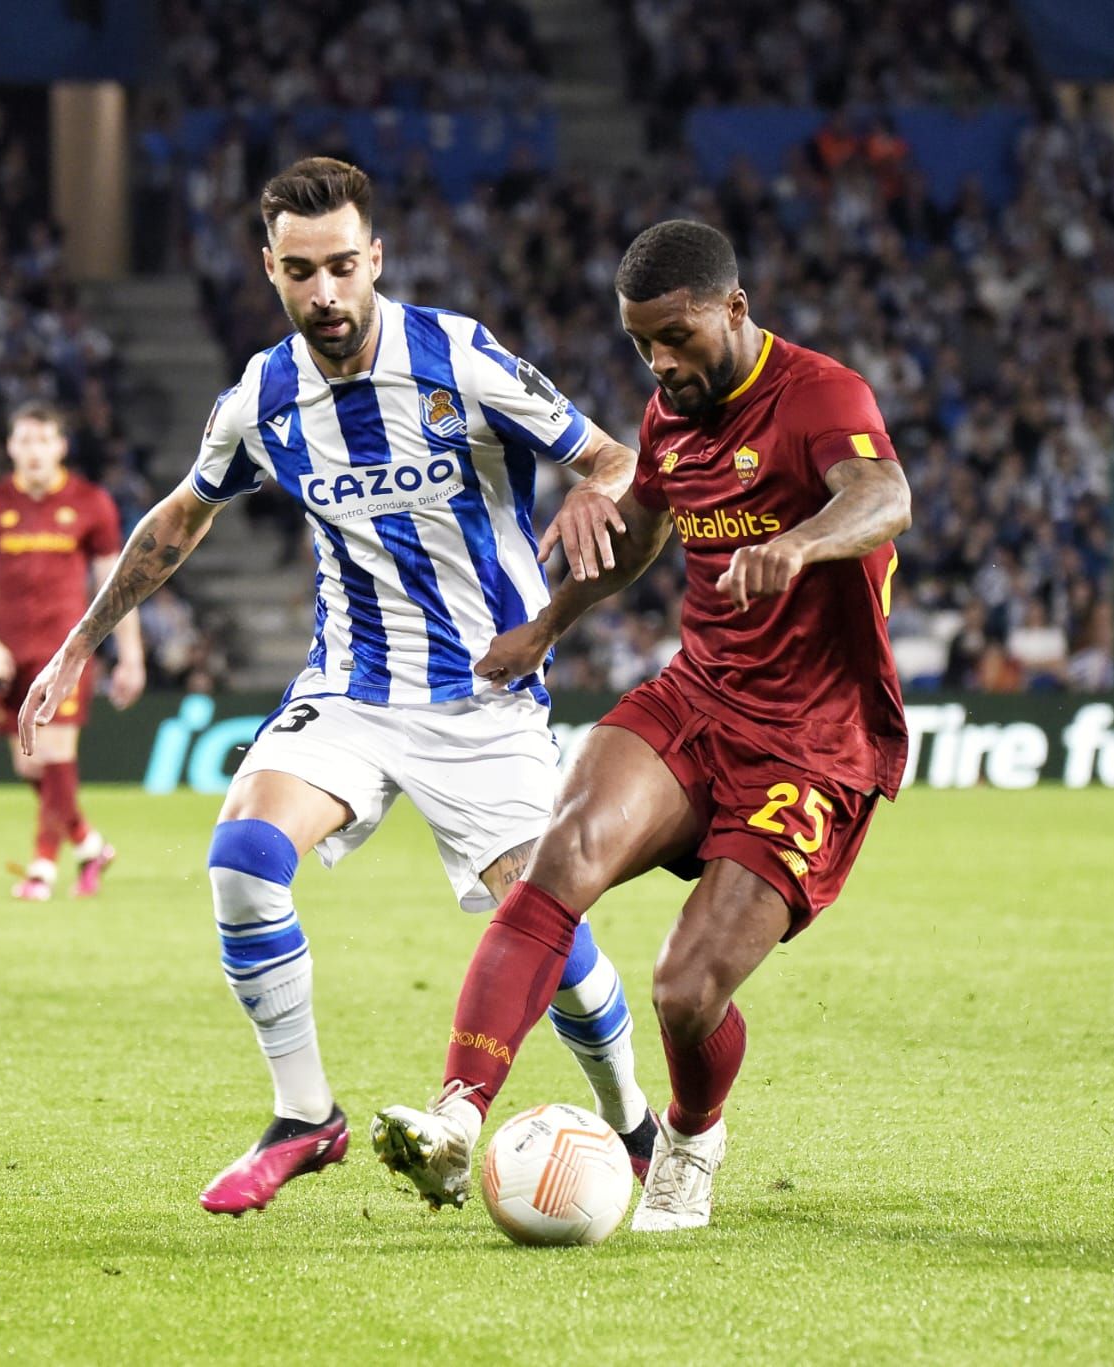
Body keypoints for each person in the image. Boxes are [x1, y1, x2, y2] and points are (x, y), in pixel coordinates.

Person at [17, 157, 660, 1215]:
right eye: (300, 271)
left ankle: (633, 1120)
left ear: (376, 259)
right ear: (269, 269)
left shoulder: (457, 356)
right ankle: (305, 1114)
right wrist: (81, 642)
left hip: (482, 696)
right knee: (242, 855)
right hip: (350, 689)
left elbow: (615, 456)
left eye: (342, 267)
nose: (324, 293)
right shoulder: (261, 395)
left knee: (548, 925)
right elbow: (181, 515)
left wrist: (596, 491)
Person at [372, 220, 913, 1231]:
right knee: (557, 857)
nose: (660, 363)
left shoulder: (821, 396)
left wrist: (797, 547)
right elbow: (639, 539)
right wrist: (546, 623)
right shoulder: (671, 416)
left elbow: (884, 494)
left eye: (675, 336)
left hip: (813, 735)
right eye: (640, 345)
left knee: (683, 987)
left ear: (733, 309)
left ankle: (692, 1131)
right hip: (699, 693)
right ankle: (454, 1115)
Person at [0, 402, 144, 901]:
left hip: (67, 654)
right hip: (9, 655)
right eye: (25, 440)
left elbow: (117, 584)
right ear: (10, 447)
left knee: (57, 752)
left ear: (61, 445)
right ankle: (90, 845)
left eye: (44, 439)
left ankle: (42, 869)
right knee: (30, 766)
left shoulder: (90, 502)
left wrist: (131, 655)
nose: (34, 450)